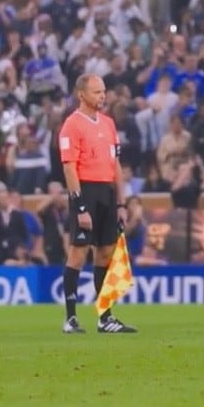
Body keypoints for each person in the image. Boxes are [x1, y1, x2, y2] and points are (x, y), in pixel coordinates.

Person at [57, 74, 135, 334]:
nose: (103, 96)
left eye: (103, 91)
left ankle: (105, 317)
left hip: (107, 192)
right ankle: (70, 318)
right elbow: (69, 168)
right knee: (78, 253)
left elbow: (116, 165)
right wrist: (79, 206)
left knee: (106, 252)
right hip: (85, 191)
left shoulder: (109, 124)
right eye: (97, 92)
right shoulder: (71, 125)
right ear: (82, 95)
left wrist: (121, 202)